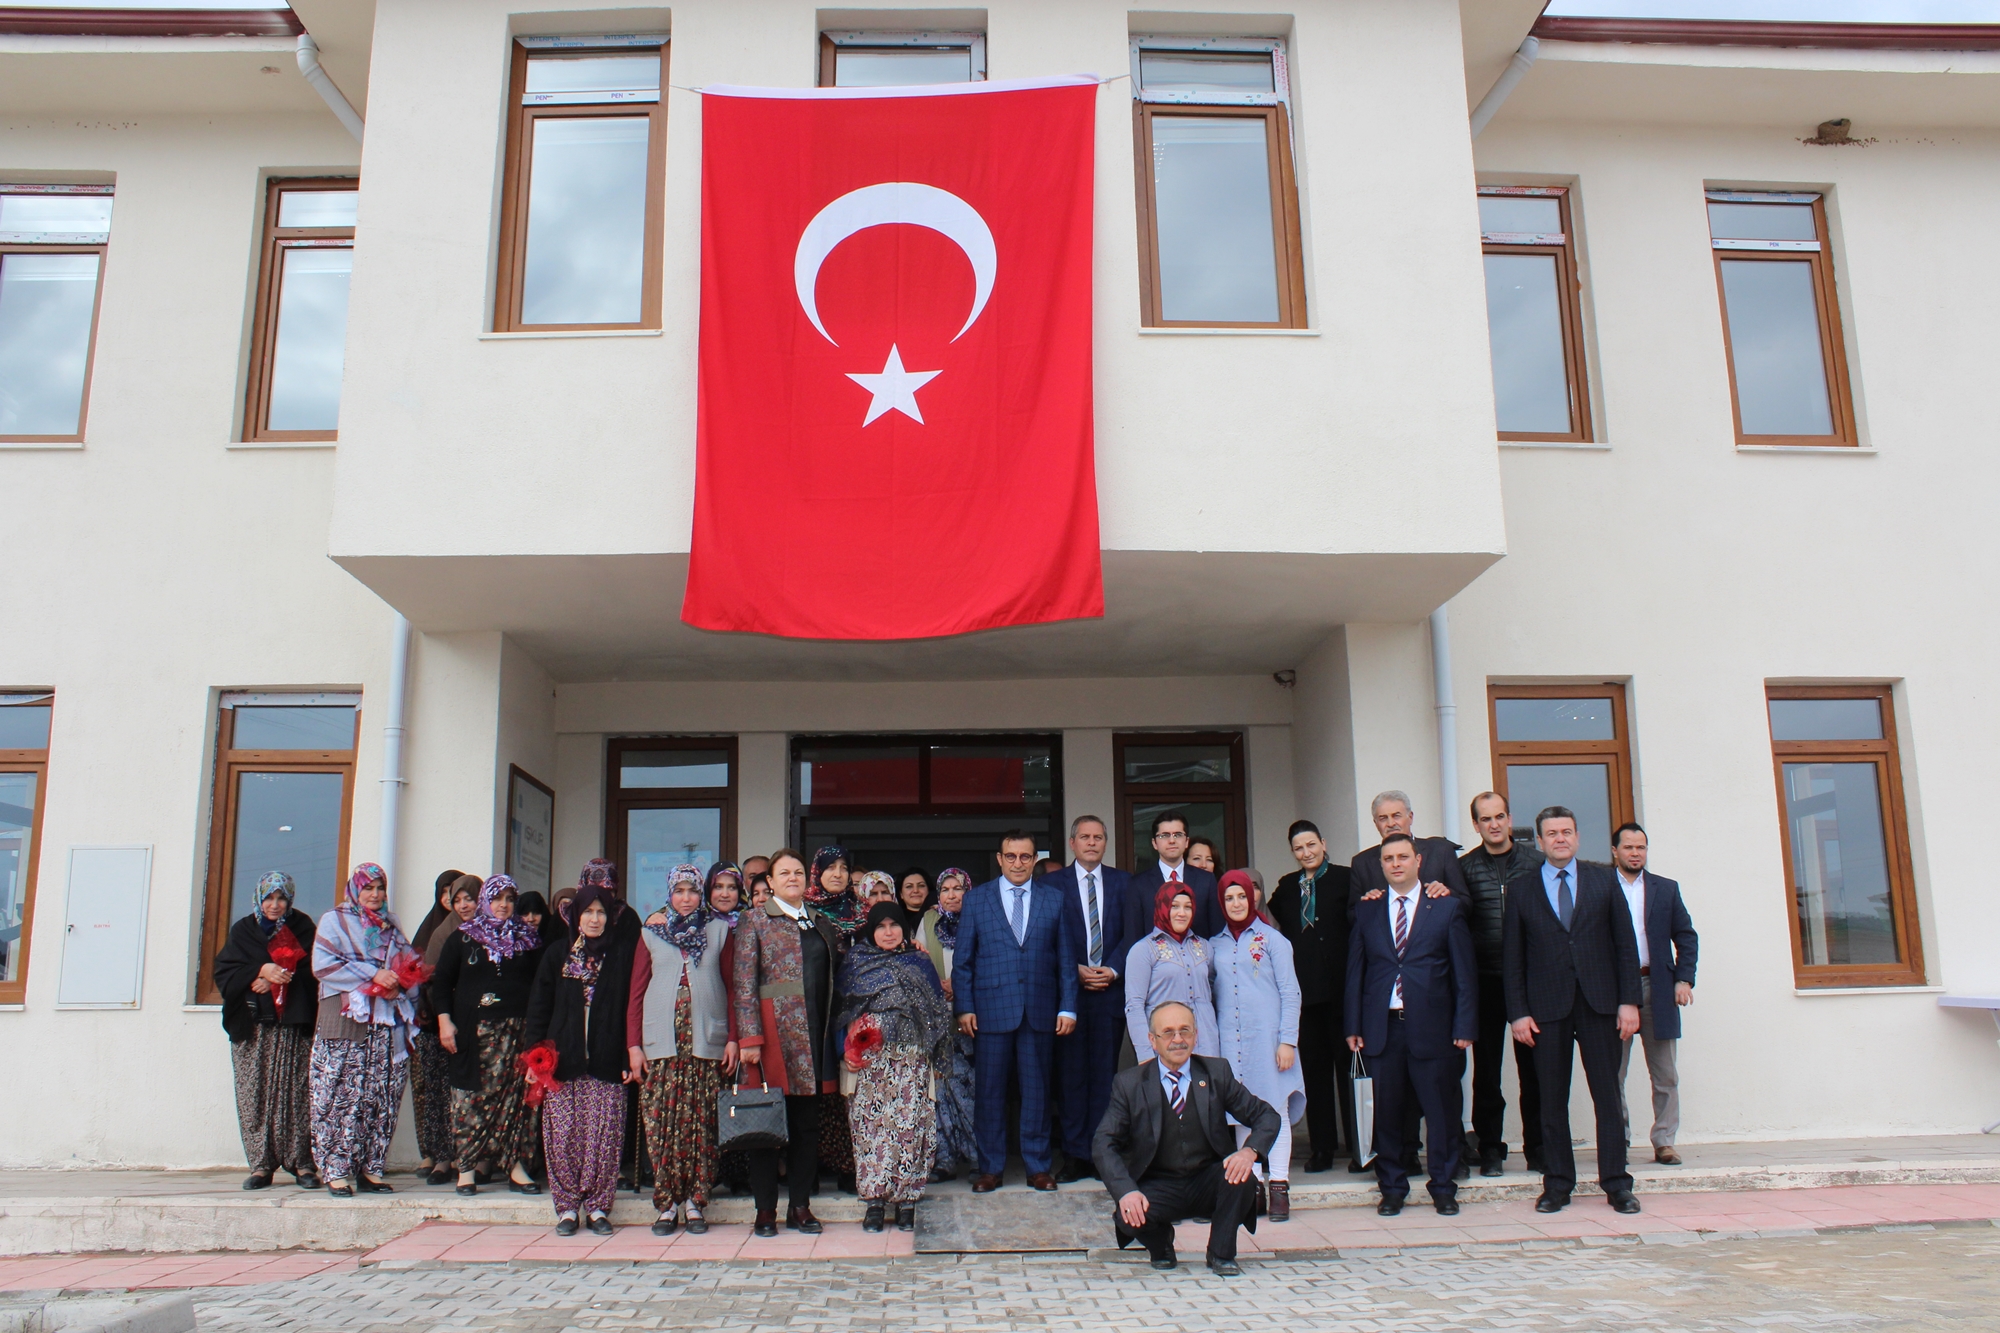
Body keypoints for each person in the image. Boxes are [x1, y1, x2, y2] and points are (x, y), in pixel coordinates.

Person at [1503, 806, 1643, 1216]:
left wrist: (1629, 1000)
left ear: (1578, 838)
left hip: (1601, 1004)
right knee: (1551, 1101)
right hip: (1546, 1010)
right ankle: (1558, 1185)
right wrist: (1518, 1013)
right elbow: (1513, 959)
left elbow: (1625, 946)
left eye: (1567, 831)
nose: (1560, 838)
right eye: (1552, 833)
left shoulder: (1604, 880)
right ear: (1541, 841)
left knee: (1607, 1097)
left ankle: (1617, 1184)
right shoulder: (1523, 889)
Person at [1092, 1001, 1280, 1277]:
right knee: (1127, 1216)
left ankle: (1221, 1252)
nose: (1177, 1039)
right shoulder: (1129, 1084)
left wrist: (1249, 1151)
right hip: (1158, 1184)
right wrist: (1126, 1191)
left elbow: (1266, 1116)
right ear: (1152, 1041)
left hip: (1208, 1179)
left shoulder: (1216, 1073)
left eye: (1185, 1031)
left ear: (1195, 1035)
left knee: (1242, 1178)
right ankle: (1161, 1247)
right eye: (1168, 1032)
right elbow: (1103, 1143)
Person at [1345, 834, 1478, 1215]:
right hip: (1381, 1028)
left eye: (1403, 856)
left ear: (1418, 861)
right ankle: (1391, 1187)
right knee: (1386, 1112)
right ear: (1382, 865)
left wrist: (1464, 1024)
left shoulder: (1446, 908)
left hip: (1434, 1027)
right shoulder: (1368, 910)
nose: (1396, 863)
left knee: (1440, 1112)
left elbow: (1463, 974)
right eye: (1389, 858)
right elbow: (1357, 971)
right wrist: (1353, 1023)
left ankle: (1443, 1186)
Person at [953, 830, 1078, 1192]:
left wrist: (1068, 1007)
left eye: (1025, 857)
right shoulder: (976, 900)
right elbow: (963, 962)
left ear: (1034, 859)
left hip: (1040, 1010)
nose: (1018, 863)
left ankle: (1038, 1167)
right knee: (989, 1092)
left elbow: (1066, 961)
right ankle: (989, 1168)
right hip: (989, 1012)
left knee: (1037, 1091)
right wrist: (964, 1008)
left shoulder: (1054, 900)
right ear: (999, 858)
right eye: (1011, 856)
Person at [733, 848, 846, 1236]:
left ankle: (800, 1205)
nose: (793, 878)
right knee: (764, 1125)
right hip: (772, 1039)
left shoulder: (820, 923)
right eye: (785, 873)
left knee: (805, 1127)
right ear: (772, 880)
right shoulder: (754, 921)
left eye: (799, 872)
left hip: (813, 1037)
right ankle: (765, 1210)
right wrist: (749, 1037)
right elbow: (743, 985)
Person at [525, 881, 641, 1235]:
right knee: (562, 1136)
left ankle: (598, 1208)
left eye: (601, 912)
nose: (594, 919)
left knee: (602, 1138)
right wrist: (534, 1057)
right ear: (575, 915)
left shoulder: (622, 955)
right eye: (588, 912)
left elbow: (629, 1007)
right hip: (562, 1061)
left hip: (607, 1060)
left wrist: (627, 1055)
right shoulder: (558, 954)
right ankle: (566, 1208)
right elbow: (539, 1008)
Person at [629, 863, 737, 1235]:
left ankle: (695, 1202)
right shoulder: (651, 933)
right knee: (663, 1124)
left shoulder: (719, 930)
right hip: (661, 1045)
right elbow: (637, 992)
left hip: (706, 1045)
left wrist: (735, 1038)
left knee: (702, 1125)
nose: (687, 898)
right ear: (670, 894)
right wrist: (633, 1045)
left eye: (693, 891)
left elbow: (733, 987)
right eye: (680, 891)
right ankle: (667, 1204)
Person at [836, 902, 955, 1232]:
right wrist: (845, 1047)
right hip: (870, 1059)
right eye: (881, 926)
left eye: (894, 925)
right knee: (871, 1128)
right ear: (871, 931)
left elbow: (936, 1011)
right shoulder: (857, 963)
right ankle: (874, 1202)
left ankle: (907, 1200)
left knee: (911, 1126)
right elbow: (842, 1010)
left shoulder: (919, 962)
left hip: (912, 1057)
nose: (888, 932)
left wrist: (937, 1054)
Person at [430, 874, 545, 1197]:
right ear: (486, 901)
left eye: (510, 899)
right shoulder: (463, 937)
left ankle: (517, 1167)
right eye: (497, 899)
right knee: (470, 1100)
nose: (503, 906)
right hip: (474, 1033)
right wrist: (444, 1021)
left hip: (518, 1033)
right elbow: (441, 983)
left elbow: (542, 985)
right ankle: (466, 1169)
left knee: (517, 1101)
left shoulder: (529, 940)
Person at [309, 863, 419, 1198]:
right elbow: (323, 965)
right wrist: (372, 975)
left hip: (385, 1025)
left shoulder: (392, 926)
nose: (374, 895)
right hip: (346, 1023)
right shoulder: (335, 920)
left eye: (379, 888)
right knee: (340, 1094)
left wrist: (398, 982)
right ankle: (336, 1170)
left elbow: (410, 966)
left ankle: (371, 1168)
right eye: (368, 888)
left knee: (380, 1095)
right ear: (355, 889)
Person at [213, 870, 320, 1191]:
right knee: (254, 1095)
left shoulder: (303, 928)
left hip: (292, 1025)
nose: (275, 905)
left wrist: (282, 975)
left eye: (281, 898)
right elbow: (224, 972)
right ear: (259, 899)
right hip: (255, 1027)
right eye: (269, 898)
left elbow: (316, 970)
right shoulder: (243, 930)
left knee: (297, 1094)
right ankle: (261, 1166)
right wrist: (259, 971)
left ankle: (302, 1163)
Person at [1209, 869, 1305, 1220]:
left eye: (1241, 896)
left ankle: (1278, 1186)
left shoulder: (1273, 940)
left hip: (1269, 1042)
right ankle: (1251, 1188)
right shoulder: (1214, 944)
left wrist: (1288, 1041)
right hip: (1231, 1045)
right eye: (1229, 897)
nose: (1236, 903)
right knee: (1241, 1115)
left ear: (1253, 897)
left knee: (1274, 1111)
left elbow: (1290, 993)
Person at [1459, 792, 1544, 1176]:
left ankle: (1539, 1148)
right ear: (1475, 825)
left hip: (1529, 979)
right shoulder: (1463, 869)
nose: (1493, 824)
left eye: (1499, 817)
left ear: (1509, 819)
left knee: (1535, 1070)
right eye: (1485, 819)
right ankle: (1490, 1148)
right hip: (1485, 980)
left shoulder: (1536, 863)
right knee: (1487, 1071)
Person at [1268, 820, 1358, 1174]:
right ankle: (1322, 1148)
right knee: (1317, 1078)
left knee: (1350, 1074)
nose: (1306, 853)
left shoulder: (1346, 879)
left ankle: (1360, 1147)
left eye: (1310, 845)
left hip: (1341, 994)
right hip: (1305, 998)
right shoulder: (1287, 887)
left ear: (1322, 842)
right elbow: (1268, 919)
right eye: (1298, 849)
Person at [1609, 823, 1699, 1166]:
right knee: (1613, 1073)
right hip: (1616, 992)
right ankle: (1619, 1140)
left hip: (1658, 988)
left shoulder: (1666, 889)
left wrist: (1684, 979)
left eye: (1641, 847)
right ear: (1615, 851)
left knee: (1665, 1074)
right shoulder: (1601, 887)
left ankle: (1664, 1141)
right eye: (1629, 847)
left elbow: (1686, 936)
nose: (1635, 853)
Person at [1054, 814, 1132, 1183]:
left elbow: (1132, 933)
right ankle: (1073, 1155)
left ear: (1105, 842)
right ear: (1072, 843)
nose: (1091, 843)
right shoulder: (1052, 884)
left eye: (1098, 837)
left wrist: (1113, 969)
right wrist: (1076, 968)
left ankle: (1101, 1153)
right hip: (1071, 994)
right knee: (1071, 1078)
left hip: (1109, 993)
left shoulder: (1123, 883)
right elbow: (1049, 938)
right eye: (1084, 837)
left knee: (1105, 1077)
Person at [410, 872, 479, 1183]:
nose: (463, 905)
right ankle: (441, 1157)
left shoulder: (490, 931)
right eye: (456, 899)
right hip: (439, 1024)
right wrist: (443, 1015)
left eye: (469, 898)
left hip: (478, 1026)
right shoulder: (440, 933)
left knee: (471, 1094)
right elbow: (429, 981)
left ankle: (474, 1158)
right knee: (439, 1093)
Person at [920, 867, 976, 1181]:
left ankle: (978, 1156)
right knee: (939, 1090)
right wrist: (936, 984)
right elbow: (917, 960)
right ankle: (944, 1160)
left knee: (972, 1090)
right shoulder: (928, 921)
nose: (952, 895)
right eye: (945, 889)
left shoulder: (980, 917)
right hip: (937, 1018)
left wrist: (962, 986)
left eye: (958, 888)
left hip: (972, 1016)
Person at [1123, 885, 1218, 1065]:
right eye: (1174, 906)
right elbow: (1134, 1006)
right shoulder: (1143, 949)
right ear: (1162, 907)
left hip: (1206, 1043)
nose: (1181, 913)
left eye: (1187, 907)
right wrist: (1145, 1054)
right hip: (1166, 1045)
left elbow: (1213, 991)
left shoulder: (1205, 947)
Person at [1123, 812, 1223, 944]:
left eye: (1178, 835)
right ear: (1154, 843)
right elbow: (1133, 938)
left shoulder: (1206, 880)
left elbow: (1217, 933)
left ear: (1187, 841)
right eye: (1164, 835)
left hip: (1199, 961)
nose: (1171, 840)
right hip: (1154, 963)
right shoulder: (1138, 884)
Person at [895, 867, 933, 932]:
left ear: (929, 890)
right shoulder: (895, 919)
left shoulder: (938, 916)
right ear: (901, 894)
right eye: (909, 886)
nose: (915, 890)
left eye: (921, 886)